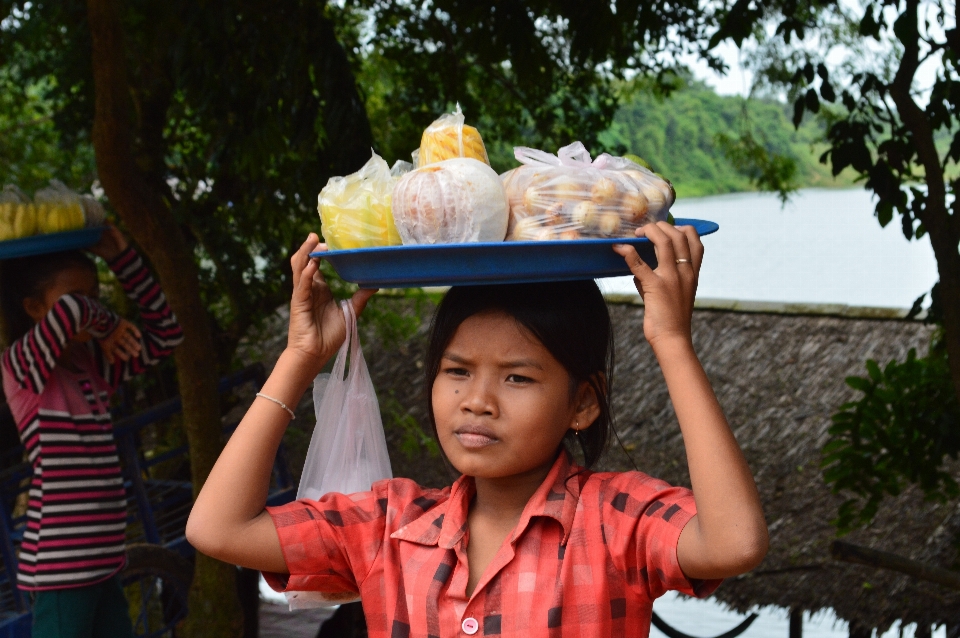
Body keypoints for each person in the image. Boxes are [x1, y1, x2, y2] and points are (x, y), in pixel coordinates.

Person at [186, 223, 768, 637]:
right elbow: (218, 528)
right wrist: (299, 357)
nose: (477, 402)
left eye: (517, 378)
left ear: (583, 402)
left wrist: (672, 343)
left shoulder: (616, 521)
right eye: (457, 372)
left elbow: (734, 544)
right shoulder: (391, 526)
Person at [1, 226, 184, 638]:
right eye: (81, 296)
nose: (93, 308)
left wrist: (123, 258)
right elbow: (70, 314)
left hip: (104, 559)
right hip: (60, 567)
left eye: (96, 295)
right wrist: (110, 323)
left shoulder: (93, 366)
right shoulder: (21, 366)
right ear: (32, 307)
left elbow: (167, 334)